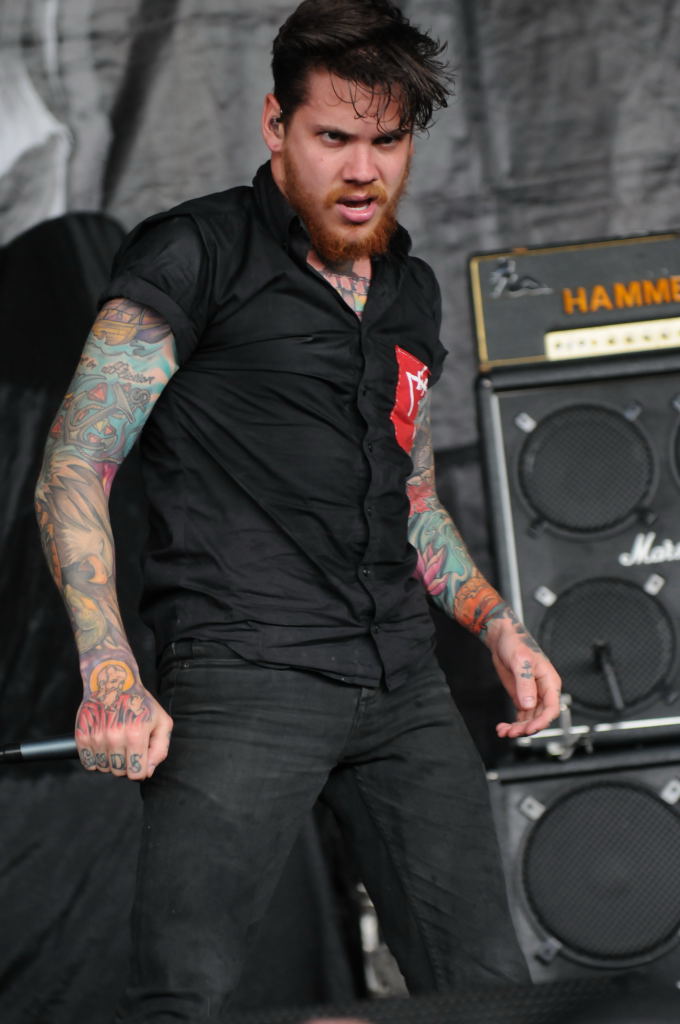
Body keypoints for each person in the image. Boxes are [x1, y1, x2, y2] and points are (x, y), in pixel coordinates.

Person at [34, 1, 562, 1020]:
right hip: (246, 675)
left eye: (386, 141)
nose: (361, 171)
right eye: (333, 138)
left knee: (488, 995)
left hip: (402, 682)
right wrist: (110, 670)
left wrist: (499, 625)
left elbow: (408, 492)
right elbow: (75, 464)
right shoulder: (196, 252)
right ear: (276, 125)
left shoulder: (408, 291)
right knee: (183, 995)